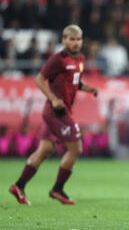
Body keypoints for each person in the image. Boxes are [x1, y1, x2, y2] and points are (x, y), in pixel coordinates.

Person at [9, 25, 99, 205]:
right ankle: (57, 189)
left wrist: (87, 88)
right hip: (56, 112)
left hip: (60, 111)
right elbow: (40, 79)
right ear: (64, 40)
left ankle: (18, 186)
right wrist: (53, 99)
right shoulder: (57, 59)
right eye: (71, 39)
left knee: (45, 150)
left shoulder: (80, 59)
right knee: (76, 149)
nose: (75, 43)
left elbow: (74, 80)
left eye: (78, 39)